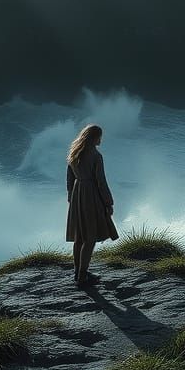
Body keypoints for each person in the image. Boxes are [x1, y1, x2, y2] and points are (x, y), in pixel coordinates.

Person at [65, 123, 119, 287]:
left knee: (79, 237)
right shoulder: (96, 156)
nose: (101, 140)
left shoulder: (75, 153)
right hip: (90, 195)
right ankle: (82, 275)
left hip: (77, 195)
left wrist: (71, 197)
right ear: (94, 137)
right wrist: (108, 202)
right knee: (90, 237)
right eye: (100, 136)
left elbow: (69, 179)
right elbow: (101, 182)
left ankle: (77, 271)